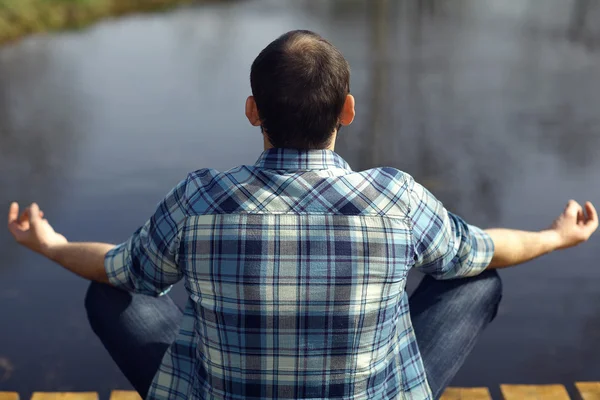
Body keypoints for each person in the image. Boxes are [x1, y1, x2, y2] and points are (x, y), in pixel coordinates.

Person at [7, 30, 598, 400]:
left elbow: (118, 269)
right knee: (476, 281)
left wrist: (52, 244)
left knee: (109, 289)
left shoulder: (200, 196)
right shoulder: (394, 196)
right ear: (347, 111)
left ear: (250, 111)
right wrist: (556, 235)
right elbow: (483, 249)